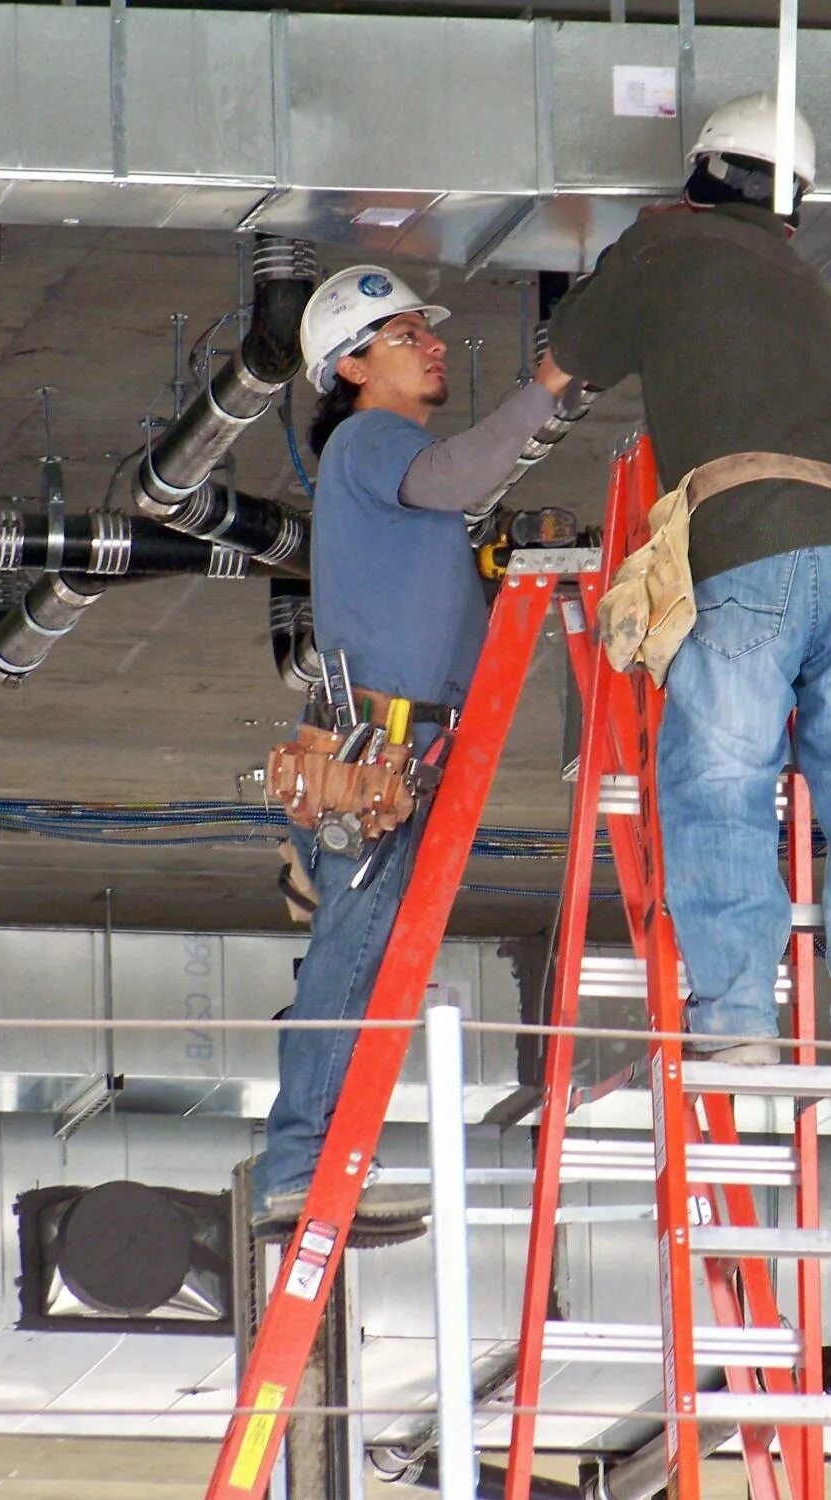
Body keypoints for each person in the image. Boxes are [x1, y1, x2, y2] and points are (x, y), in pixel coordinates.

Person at [546, 93, 831, 1069]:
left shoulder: (663, 247)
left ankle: (734, 1020)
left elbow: (571, 353)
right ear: (793, 202)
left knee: (720, 782)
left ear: (699, 170)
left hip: (747, 551)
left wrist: (618, 261)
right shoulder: (802, 280)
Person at [252, 264, 572, 1245]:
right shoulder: (371, 440)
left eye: (423, 331)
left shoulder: (379, 458)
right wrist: (551, 385)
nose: (433, 344)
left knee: (362, 962)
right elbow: (461, 475)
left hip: (393, 749)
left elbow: (444, 517)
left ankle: (313, 1161)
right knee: (352, 965)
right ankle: (299, 1170)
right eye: (404, 335)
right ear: (350, 365)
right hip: (384, 752)